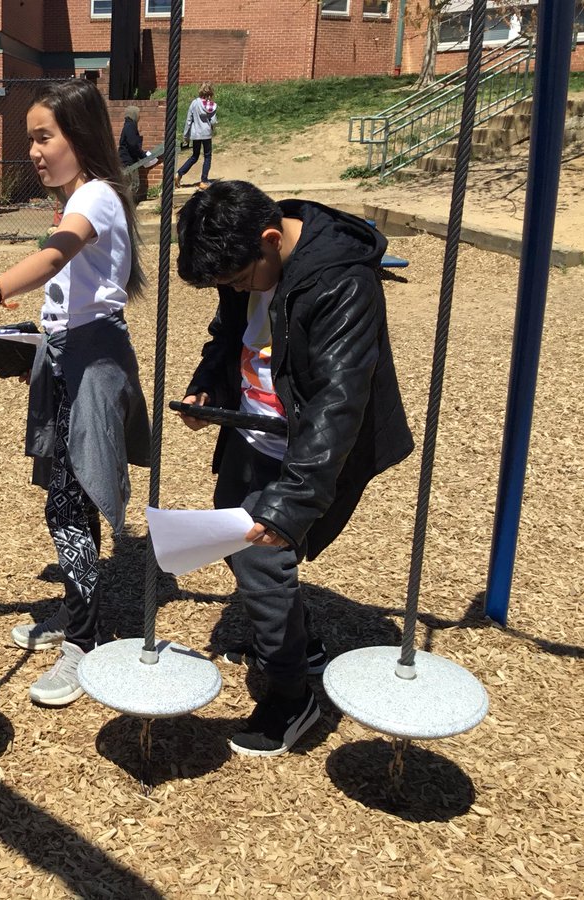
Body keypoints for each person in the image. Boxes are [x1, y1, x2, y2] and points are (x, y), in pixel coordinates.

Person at [174, 180, 414, 756]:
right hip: (254, 431)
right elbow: (230, 332)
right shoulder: (246, 255)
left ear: (272, 240)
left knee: (261, 552)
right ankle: (299, 644)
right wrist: (209, 385)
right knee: (234, 539)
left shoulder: (341, 282)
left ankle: (290, 696)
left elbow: (338, 403)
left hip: (310, 444)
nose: (232, 290)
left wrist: (290, 507)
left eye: (236, 280)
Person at [0, 79, 150, 707]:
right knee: (65, 495)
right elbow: (69, 277)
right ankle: (76, 612)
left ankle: (83, 638)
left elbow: (58, 256)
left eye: (43, 136)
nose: (33, 149)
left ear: (77, 138)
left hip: (93, 364)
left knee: (72, 500)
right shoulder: (76, 198)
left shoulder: (99, 196)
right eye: (30, 137)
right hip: (63, 358)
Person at [176, 83, 217, 189]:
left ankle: (179, 173)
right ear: (210, 93)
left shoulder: (194, 103)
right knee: (207, 156)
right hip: (206, 133)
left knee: (195, 156)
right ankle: (204, 180)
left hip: (196, 134)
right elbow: (213, 121)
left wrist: (186, 136)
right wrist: (213, 129)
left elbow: (189, 120)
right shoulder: (211, 105)